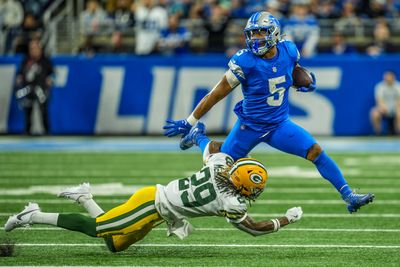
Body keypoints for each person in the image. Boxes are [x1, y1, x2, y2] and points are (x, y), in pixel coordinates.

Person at [163, 11, 374, 214]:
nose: (255, 38)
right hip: (250, 126)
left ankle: (349, 196)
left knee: (315, 151)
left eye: (261, 32)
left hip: (279, 125)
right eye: (252, 33)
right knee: (218, 170)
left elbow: (291, 71)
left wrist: (304, 79)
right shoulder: (245, 61)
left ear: (273, 33)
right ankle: (197, 137)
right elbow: (216, 94)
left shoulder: (289, 50)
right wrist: (191, 120)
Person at [4, 150, 303, 253]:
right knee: (99, 228)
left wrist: (196, 134)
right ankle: (33, 215)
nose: (253, 195)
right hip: (150, 203)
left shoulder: (219, 163)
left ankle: (84, 197)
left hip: (158, 210)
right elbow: (253, 228)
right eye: (253, 189)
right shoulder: (233, 203)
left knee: (113, 245)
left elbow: (211, 147)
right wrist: (287, 219)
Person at [15, 39, 54, 135]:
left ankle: (46, 131)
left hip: (41, 88)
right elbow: (20, 72)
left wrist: (50, 79)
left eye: (36, 48)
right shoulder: (26, 60)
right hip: (28, 88)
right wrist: (19, 77)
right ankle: (27, 131)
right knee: (28, 109)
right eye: (32, 48)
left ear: (40, 49)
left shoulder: (45, 60)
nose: (34, 50)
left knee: (43, 109)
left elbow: (52, 73)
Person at [370, 70, 400, 135]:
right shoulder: (380, 86)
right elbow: (379, 100)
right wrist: (383, 107)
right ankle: (378, 133)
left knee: (399, 111)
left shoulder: (398, 86)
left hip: (396, 108)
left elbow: (399, 100)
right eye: (386, 76)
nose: (387, 78)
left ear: (393, 77)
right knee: (374, 113)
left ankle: (398, 132)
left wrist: (396, 109)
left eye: (389, 76)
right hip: (384, 108)